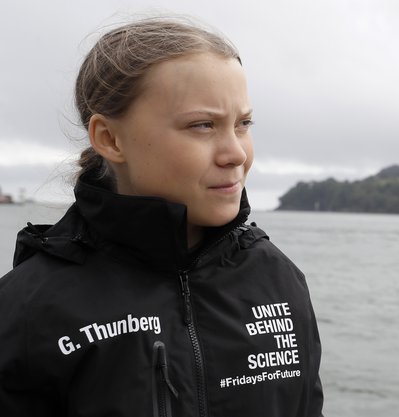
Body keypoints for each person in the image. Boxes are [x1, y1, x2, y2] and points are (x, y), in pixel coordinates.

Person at [0, 17, 323, 417]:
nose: (235, 153)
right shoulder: (29, 309)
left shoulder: (277, 280)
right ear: (110, 139)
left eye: (243, 124)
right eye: (202, 125)